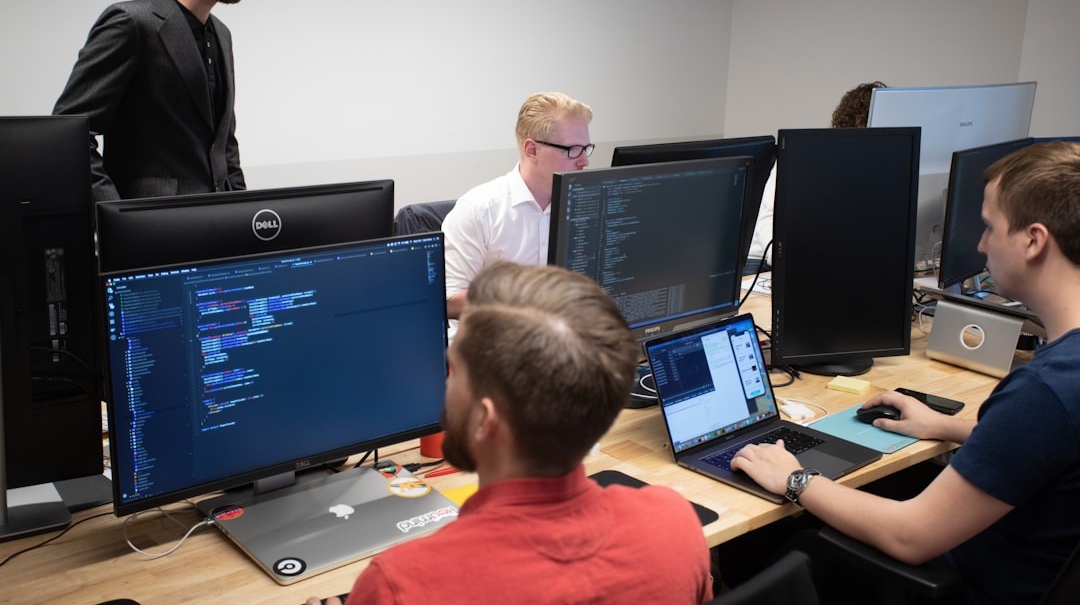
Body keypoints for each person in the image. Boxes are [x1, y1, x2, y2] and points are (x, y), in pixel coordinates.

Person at [731, 141, 1080, 604]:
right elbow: (1048, 442)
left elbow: (910, 538)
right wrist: (945, 426)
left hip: (967, 586)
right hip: (1028, 566)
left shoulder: (1042, 391)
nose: (980, 244)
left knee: (763, 545)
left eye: (990, 227)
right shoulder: (1058, 386)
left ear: (1034, 240)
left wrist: (794, 479)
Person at [308, 261, 713, 605]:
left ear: (486, 420)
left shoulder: (403, 584)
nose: (443, 386)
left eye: (454, 370)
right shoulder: (673, 524)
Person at [53, 0, 253, 203]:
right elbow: (69, 135)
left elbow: (225, 144)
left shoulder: (221, 34)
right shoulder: (131, 23)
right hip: (151, 232)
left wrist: (242, 211)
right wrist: (117, 216)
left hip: (220, 227)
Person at [442, 92, 594, 320]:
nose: (584, 161)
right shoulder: (478, 210)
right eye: (573, 150)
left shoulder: (584, 208)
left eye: (586, 148)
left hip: (561, 336)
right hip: (496, 342)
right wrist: (527, 295)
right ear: (532, 150)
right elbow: (449, 302)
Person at [748, 80, 887, 265]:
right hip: (763, 262)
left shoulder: (879, 168)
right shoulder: (803, 156)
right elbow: (770, 220)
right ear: (856, 122)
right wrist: (789, 262)